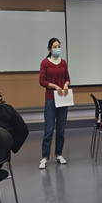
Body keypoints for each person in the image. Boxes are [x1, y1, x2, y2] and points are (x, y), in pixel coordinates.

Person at [38, 37, 70, 169]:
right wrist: (55, 86)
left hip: (62, 99)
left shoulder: (63, 63)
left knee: (61, 129)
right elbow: (42, 81)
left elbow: (67, 78)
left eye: (59, 47)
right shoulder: (45, 63)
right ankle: (45, 156)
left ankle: (59, 154)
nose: (57, 49)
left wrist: (66, 85)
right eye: (55, 47)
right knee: (49, 129)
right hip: (51, 99)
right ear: (50, 49)